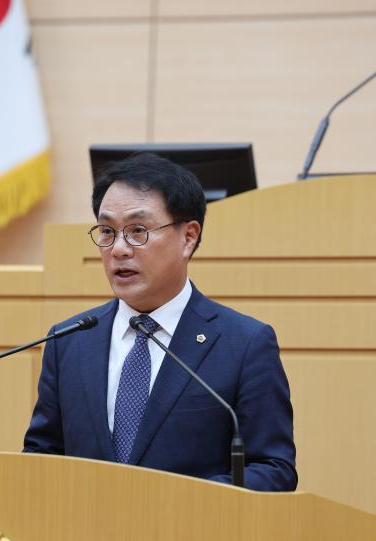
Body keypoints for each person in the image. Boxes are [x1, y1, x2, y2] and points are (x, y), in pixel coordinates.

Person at [24, 153, 297, 491]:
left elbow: (273, 470)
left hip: (193, 525)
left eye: (138, 231)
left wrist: (179, 503)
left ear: (188, 237)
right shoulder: (69, 341)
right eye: (107, 232)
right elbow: (41, 457)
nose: (119, 249)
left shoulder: (244, 344)